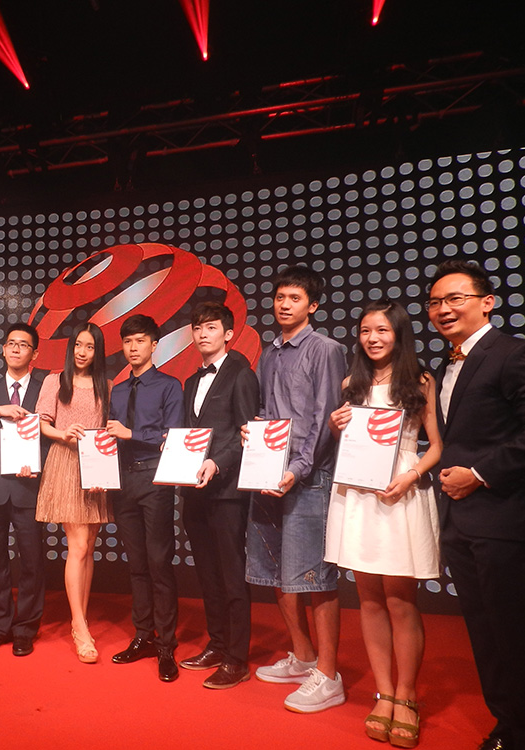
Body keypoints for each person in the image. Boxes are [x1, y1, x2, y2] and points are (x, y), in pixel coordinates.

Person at [426, 260, 525, 750]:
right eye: (435, 302)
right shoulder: (446, 365)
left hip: (507, 520)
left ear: (486, 303)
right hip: (461, 523)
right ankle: (507, 727)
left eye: (455, 298)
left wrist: (480, 473)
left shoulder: (514, 354)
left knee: (515, 634)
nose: (443, 309)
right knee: (485, 635)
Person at [325, 300, 441, 747]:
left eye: (382, 330)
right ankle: (384, 693)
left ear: (399, 334)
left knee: (400, 601)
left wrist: (411, 476)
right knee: (369, 599)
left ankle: (407, 695)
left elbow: (436, 446)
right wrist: (337, 425)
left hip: (400, 490)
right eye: (366, 331)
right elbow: (347, 441)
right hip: (357, 493)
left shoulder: (421, 380)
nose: (372, 338)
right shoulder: (350, 382)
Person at [245, 264, 347, 713]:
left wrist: (299, 469)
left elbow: (326, 417)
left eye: (295, 299)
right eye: (280, 297)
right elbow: (269, 411)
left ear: (313, 306)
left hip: (309, 478)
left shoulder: (326, 349)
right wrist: (255, 436)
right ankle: (303, 656)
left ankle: (329, 674)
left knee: (315, 577)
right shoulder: (269, 354)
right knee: (275, 570)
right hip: (269, 473)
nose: (285, 305)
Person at [179, 302, 260, 690]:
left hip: (226, 491)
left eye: (210, 327)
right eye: (197, 328)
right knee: (207, 574)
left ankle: (237, 658)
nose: (202, 334)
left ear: (228, 333)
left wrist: (217, 462)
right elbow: (190, 433)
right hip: (193, 490)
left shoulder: (241, 374)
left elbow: (247, 435)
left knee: (230, 574)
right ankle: (217, 644)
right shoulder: (190, 382)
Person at [105, 315, 183, 682]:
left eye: (140, 341)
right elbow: (109, 437)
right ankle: (143, 635)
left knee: (159, 562)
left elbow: (174, 436)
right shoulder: (118, 390)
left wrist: (131, 433)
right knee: (136, 563)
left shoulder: (169, 386)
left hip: (156, 478)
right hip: (123, 480)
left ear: (154, 345)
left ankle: (166, 644)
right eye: (127, 342)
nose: (133, 348)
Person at [34, 322, 112, 663]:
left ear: (97, 351)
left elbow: (107, 429)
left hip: (97, 465)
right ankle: (79, 626)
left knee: (89, 546)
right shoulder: (55, 381)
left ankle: (80, 617)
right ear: (71, 347)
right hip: (65, 461)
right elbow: (41, 423)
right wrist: (63, 433)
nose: (82, 352)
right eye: (78, 345)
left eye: (90, 347)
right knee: (78, 545)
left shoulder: (106, 385)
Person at [0, 323, 47, 657]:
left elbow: (52, 438)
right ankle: (0, 625)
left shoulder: (45, 390)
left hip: (30, 486)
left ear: (35, 353)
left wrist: (38, 463)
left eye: (24, 344)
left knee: (32, 561)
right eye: (11, 343)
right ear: (3, 349)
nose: (16, 349)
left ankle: (25, 628)